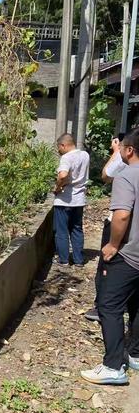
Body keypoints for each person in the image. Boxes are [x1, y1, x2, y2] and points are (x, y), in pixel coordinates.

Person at [81, 128, 139, 385]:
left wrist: (113, 245)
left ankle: (114, 366)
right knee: (137, 305)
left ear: (128, 150)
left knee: (109, 305)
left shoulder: (127, 176)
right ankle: (136, 354)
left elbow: (122, 215)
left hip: (129, 254)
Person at [84, 137, 127, 322]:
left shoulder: (127, 159)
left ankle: (103, 307)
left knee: (107, 265)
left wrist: (116, 152)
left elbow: (106, 174)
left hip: (119, 224)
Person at [53, 133, 90, 266]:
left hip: (64, 200)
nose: (59, 150)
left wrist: (57, 187)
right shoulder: (85, 155)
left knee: (61, 230)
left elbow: (63, 175)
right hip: (79, 199)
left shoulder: (66, 157)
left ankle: (63, 260)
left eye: (59, 147)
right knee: (76, 229)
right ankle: (79, 260)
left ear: (63, 145)